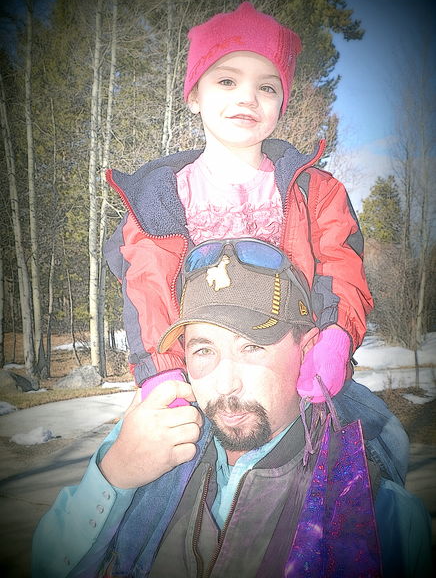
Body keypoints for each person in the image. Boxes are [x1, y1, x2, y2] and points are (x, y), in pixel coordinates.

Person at [32, 238, 432, 578]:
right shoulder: (149, 450)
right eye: (203, 349)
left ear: (306, 351)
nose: (225, 383)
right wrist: (114, 475)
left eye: (252, 347)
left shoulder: (377, 513)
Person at [104, 1, 374, 404]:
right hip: (203, 384)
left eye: (266, 86)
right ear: (194, 94)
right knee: (137, 462)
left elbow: (340, 267)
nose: (247, 97)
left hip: (296, 376)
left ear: (281, 103)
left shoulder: (316, 192)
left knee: (383, 441)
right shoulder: (157, 201)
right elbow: (148, 291)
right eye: (227, 81)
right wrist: (162, 376)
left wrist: (335, 337)